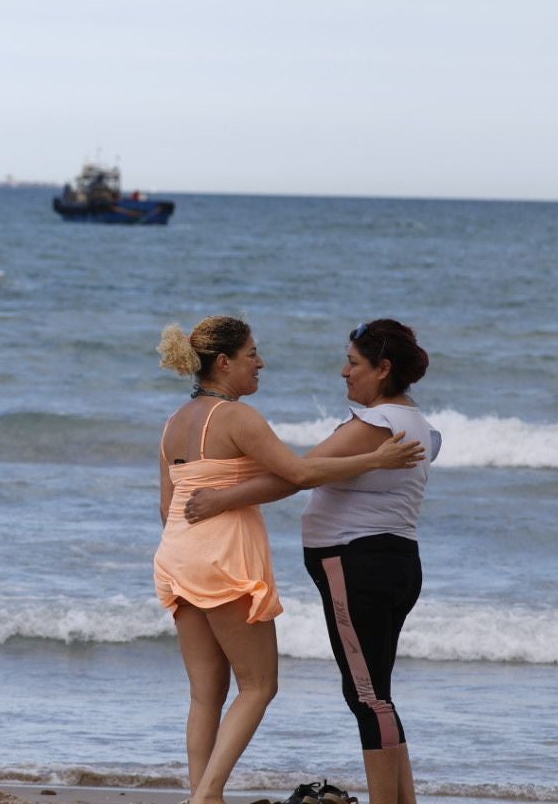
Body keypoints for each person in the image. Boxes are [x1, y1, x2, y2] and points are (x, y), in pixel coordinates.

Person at [153, 316, 424, 804]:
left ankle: (200, 792)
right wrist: (374, 460)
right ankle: (207, 795)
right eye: (253, 353)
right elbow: (298, 472)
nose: (261, 362)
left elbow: (165, 506)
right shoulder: (238, 417)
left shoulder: (173, 423)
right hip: (223, 556)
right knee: (258, 686)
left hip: (177, 555)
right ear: (224, 362)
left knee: (205, 693)